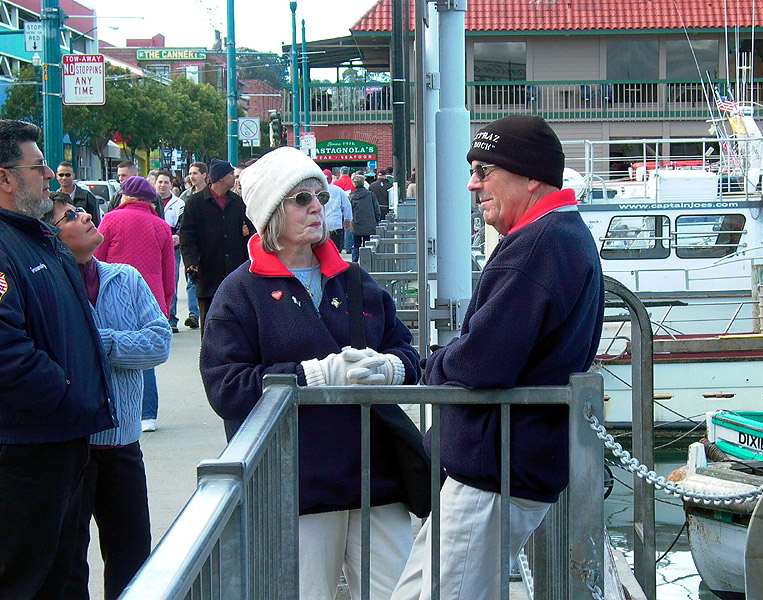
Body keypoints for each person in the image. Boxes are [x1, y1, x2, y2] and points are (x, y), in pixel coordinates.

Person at [391, 116, 605, 600]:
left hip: (495, 474)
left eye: (485, 170)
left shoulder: (539, 246)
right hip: (502, 466)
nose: (473, 183)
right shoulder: (558, 235)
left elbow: (483, 363)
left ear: (530, 177)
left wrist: (433, 364)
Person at [200, 146, 422, 600]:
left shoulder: (355, 279)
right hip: (296, 486)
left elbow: (405, 349)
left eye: (319, 195)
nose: (318, 206)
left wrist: (391, 367)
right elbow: (225, 386)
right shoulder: (239, 292)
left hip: (374, 476)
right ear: (270, 213)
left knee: (401, 594)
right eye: (301, 198)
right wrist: (314, 376)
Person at [0, 119, 115, 599]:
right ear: (5, 178)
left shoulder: (41, 239)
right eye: (38, 167)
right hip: (27, 448)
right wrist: (66, 392)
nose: (49, 175)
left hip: (65, 440)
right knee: (24, 577)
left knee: (64, 575)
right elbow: (7, 354)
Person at [45, 194, 171, 600]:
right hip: (72, 447)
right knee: (68, 563)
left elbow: (158, 344)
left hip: (123, 444)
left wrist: (98, 342)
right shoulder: (47, 286)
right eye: (69, 216)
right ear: (52, 236)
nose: (85, 216)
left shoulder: (126, 278)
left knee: (132, 555)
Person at [95, 175, 175, 433]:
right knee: (145, 357)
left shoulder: (110, 220)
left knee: (113, 350)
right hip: (150, 296)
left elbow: (96, 258)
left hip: (113, 295)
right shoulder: (161, 226)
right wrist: (165, 304)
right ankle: (147, 414)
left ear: (125, 196)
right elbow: (169, 271)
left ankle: (115, 409)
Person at [180, 158, 254, 332]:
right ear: (220, 178)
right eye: (230, 175)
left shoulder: (237, 203)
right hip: (208, 273)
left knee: (237, 322)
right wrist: (191, 263)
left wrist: (247, 232)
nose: (234, 179)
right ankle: (209, 356)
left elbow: (250, 233)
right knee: (209, 323)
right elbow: (187, 236)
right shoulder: (195, 203)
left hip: (235, 273)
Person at [155, 169, 195, 333]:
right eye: (160, 182)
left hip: (173, 248)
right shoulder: (150, 202)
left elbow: (183, 225)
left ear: (171, 185)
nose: (163, 185)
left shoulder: (179, 204)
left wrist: (178, 236)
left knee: (171, 280)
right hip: (154, 247)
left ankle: (171, 318)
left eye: (166, 182)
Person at [56, 161, 101, 226]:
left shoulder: (87, 197)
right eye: (61, 175)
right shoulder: (55, 199)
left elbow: (96, 222)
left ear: (73, 176)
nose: (64, 178)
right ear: (57, 176)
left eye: (68, 175)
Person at [349, 173, 381, 263]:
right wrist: (376, 221)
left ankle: (354, 262)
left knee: (356, 245)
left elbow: (348, 212)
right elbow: (377, 210)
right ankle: (367, 263)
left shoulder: (351, 197)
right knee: (368, 245)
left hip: (356, 225)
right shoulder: (370, 195)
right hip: (369, 224)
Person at [322, 168, 352, 251]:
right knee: (335, 249)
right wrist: (347, 219)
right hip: (335, 223)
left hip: (321, 224)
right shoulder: (338, 190)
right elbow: (347, 206)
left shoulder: (317, 191)